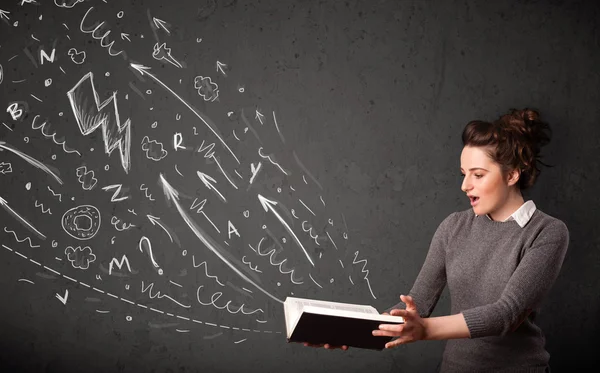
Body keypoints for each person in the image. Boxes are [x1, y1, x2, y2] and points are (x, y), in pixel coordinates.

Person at [304, 108, 569, 373]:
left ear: (512, 175)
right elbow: (417, 303)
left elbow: (506, 314)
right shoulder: (453, 226)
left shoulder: (547, 232)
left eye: (477, 174)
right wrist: (347, 331)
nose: (465, 185)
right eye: (463, 173)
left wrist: (424, 330)